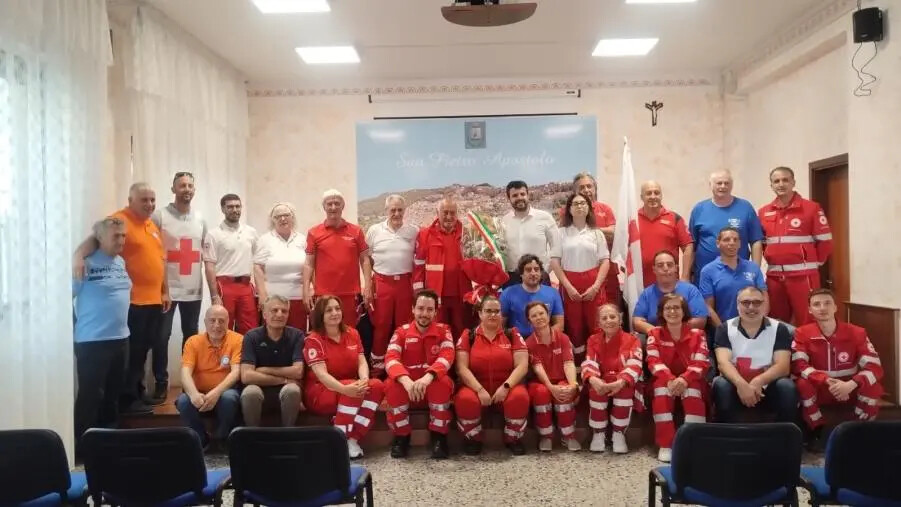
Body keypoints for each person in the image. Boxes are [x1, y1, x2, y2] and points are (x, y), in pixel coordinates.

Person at [792, 288, 883, 451]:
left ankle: (859, 430)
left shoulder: (857, 332)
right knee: (802, 384)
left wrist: (851, 384)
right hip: (821, 387)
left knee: (873, 386)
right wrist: (826, 380)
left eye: (827, 303)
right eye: (816, 304)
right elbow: (799, 365)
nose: (822, 308)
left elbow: (874, 366)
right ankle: (818, 431)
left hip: (849, 388)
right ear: (810, 310)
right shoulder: (802, 333)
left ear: (835, 307)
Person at [73, 217, 131, 447]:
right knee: (91, 396)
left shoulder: (120, 262)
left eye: (123, 235)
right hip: (92, 342)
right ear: (99, 238)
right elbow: (62, 298)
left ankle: (109, 444)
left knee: (112, 395)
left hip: (121, 339)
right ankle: (83, 446)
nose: (121, 240)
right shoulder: (84, 264)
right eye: (116, 236)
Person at [303, 296, 385, 459]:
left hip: (350, 388)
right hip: (321, 391)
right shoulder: (313, 340)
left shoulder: (352, 333)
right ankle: (339, 441)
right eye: (329, 310)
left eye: (337, 308)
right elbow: (321, 375)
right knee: (352, 388)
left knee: (376, 386)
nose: (335, 313)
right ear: (320, 315)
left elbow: (362, 361)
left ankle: (353, 439)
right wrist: (345, 389)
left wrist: (364, 379)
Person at [152, 171, 207, 403]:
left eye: (190, 186)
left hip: (193, 288)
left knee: (191, 337)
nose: (187, 189)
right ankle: (160, 382)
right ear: (173, 189)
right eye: (182, 185)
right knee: (161, 336)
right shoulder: (160, 216)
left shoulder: (200, 219)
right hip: (166, 288)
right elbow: (153, 251)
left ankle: (188, 382)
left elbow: (203, 251)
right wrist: (162, 287)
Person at [455, 295, 530, 456]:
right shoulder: (468, 335)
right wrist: (479, 389)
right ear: (480, 313)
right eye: (488, 311)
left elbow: (522, 366)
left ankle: (513, 438)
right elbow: (461, 368)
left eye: (497, 311)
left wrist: (506, 387)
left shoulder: (512, 334)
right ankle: (473, 438)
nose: (493, 315)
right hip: (475, 388)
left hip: (506, 387)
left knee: (520, 397)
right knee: (465, 399)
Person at [384, 289, 455, 459]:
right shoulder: (401, 332)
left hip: (431, 386)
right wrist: (406, 381)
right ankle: (401, 437)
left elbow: (447, 356)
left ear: (436, 312)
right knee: (391, 385)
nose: (424, 313)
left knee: (443, 383)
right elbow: (391, 358)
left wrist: (427, 378)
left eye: (430, 309)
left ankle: (439, 437)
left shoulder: (444, 331)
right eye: (420, 308)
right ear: (413, 309)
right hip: (407, 388)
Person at [712, 286, 798, 424]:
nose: (751, 307)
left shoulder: (779, 329)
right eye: (746, 302)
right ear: (737, 305)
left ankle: (784, 434)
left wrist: (758, 381)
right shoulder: (724, 328)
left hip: (767, 387)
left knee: (787, 387)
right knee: (721, 385)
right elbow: (723, 363)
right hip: (736, 386)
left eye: (757, 302)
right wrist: (742, 385)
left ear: (764, 305)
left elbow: (783, 366)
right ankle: (726, 434)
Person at [758, 167, 833, 325]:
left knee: (807, 319)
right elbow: (763, 243)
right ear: (771, 185)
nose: (781, 184)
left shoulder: (811, 208)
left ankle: (807, 343)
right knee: (776, 321)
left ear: (793, 182)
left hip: (803, 276)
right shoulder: (764, 212)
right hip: (774, 276)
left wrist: (813, 263)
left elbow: (825, 242)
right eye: (776, 181)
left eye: (785, 180)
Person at [646, 294, 709, 462]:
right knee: (661, 393)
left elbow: (701, 362)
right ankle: (666, 445)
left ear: (684, 311)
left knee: (693, 393)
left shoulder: (698, 334)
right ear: (661, 312)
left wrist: (684, 379)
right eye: (668, 308)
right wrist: (669, 379)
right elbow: (653, 361)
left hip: (691, 379)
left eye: (676, 307)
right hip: (664, 379)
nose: (672, 311)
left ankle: (695, 443)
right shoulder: (654, 333)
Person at [176, 305, 242, 452]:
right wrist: (193, 394)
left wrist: (216, 393)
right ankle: (200, 439)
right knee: (183, 401)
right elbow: (185, 373)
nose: (217, 325)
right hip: (199, 391)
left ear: (228, 322)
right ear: (205, 322)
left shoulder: (238, 340)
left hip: (225, 391)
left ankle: (222, 437)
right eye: (212, 320)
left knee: (229, 398)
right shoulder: (193, 341)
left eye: (221, 321)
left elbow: (236, 372)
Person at [551, 192, 609, 357]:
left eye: (583, 203)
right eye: (575, 204)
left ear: (589, 208)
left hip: (593, 283)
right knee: (574, 324)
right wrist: (568, 287)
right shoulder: (560, 233)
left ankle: (597, 359)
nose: (579, 206)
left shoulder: (596, 233)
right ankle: (577, 362)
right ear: (569, 209)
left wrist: (595, 287)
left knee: (596, 322)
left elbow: (605, 261)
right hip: (570, 283)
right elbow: (555, 261)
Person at [303, 189, 372, 327]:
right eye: (329, 204)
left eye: (337, 203)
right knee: (325, 332)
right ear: (324, 207)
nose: (333, 207)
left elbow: (365, 259)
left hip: (350, 294)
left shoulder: (356, 231)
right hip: (323, 294)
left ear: (343, 206)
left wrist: (368, 286)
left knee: (349, 332)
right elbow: (309, 264)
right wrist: (306, 290)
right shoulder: (313, 233)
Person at [366, 194, 417, 376]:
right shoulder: (374, 230)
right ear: (386, 210)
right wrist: (367, 284)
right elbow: (366, 258)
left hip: (404, 283)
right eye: (393, 210)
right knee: (381, 324)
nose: (396, 213)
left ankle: (402, 363)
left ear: (405, 211)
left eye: (400, 210)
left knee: (404, 325)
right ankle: (377, 367)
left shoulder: (413, 231)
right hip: (382, 282)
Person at [581, 304, 642, 454]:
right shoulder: (593, 340)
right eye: (604, 318)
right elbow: (589, 362)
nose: (609, 320)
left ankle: (618, 433)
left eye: (613, 317)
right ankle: (598, 433)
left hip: (622, 381)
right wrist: (593, 379)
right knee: (595, 389)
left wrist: (621, 381)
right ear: (599, 323)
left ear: (620, 319)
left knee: (625, 390)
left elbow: (635, 363)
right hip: (601, 379)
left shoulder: (632, 339)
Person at [239, 295, 305, 428]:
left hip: (286, 390)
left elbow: (298, 372)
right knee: (250, 392)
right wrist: (284, 380)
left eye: (284, 311)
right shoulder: (251, 336)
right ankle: (252, 434)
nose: (279, 314)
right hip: (258, 387)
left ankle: (288, 433)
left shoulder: (297, 335)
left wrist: (264, 370)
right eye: (274, 310)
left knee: (293, 390)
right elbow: (246, 376)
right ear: (264, 314)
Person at [523, 301, 580, 452]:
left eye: (541, 313)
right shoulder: (529, 343)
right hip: (540, 383)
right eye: (534, 316)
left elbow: (568, 363)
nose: (539, 317)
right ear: (529, 321)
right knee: (542, 393)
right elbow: (538, 368)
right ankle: (546, 436)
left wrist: (573, 385)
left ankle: (568, 435)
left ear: (548, 316)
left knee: (565, 390)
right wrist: (550, 387)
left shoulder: (563, 338)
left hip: (561, 379)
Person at [413, 196, 471, 338]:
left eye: (452, 213)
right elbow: (418, 265)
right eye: (445, 212)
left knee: (461, 329)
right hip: (435, 294)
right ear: (437, 213)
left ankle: (460, 352)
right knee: (438, 330)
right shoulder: (425, 234)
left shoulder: (467, 234)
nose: (449, 217)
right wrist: (419, 291)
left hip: (461, 294)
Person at [689, 170, 764, 279]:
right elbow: (691, 245)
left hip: (738, 275)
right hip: (704, 276)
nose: (723, 186)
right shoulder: (699, 209)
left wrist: (755, 272)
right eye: (719, 183)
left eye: (726, 183)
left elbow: (756, 241)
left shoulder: (745, 207)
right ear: (711, 185)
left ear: (732, 185)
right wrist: (687, 274)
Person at [203, 193, 259, 334]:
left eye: (237, 206)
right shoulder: (213, 234)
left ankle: (245, 350)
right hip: (224, 286)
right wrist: (214, 295)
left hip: (246, 286)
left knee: (250, 328)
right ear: (223, 209)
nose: (235, 210)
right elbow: (209, 266)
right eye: (230, 207)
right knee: (223, 327)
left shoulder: (251, 232)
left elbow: (259, 261)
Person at [564, 172, 620, 306]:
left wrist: (588, 231)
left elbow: (613, 233)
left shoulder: (605, 209)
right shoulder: (566, 212)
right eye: (582, 187)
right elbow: (565, 237)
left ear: (595, 189)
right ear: (575, 191)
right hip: (579, 275)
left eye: (589, 186)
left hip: (608, 272)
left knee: (611, 310)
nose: (586, 190)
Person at [699, 227, 767, 329]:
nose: (732, 243)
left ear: (739, 243)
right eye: (726, 239)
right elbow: (708, 307)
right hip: (724, 328)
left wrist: (758, 325)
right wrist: (723, 331)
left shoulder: (753, 267)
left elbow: (764, 298)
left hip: (753, 327)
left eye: (735, 240)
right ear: (718, 243)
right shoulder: (708, 271)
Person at [253, 202, 307, 330]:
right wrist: (262, 295)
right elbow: (258, 267)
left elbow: (309, 266)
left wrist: (309, 290)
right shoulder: (265, 240)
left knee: (297, 335)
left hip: (298, 298)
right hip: (272, 299)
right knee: (273, 335)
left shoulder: (302, 239)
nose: (283, 219)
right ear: (273, 220)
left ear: (292, 217)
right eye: (278, 216)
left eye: (286, 215)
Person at [631, 181, 694, 286]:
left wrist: (685, 276)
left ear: (661, 195)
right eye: (649, 193)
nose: (653, 196)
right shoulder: (633, 220)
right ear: (642, 197)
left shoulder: (674, 218)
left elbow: (688, 246)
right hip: (638, 284)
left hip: (670, 283)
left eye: (656, 193)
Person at [632, 250, 707, 337]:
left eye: (669, 265)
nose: (665, 268)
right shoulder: (647, 293)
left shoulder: (691, 290)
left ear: (676, 268)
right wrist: (659, 333)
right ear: (654, 269)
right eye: (660, 265)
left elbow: (700, 321)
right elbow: (637, 321)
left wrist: (673, 331)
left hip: (685, 338)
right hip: (656, 338)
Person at [500, 180, 560, 286]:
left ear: (528, 195)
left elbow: (556, 247)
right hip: (512, 279)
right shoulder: (504, 221)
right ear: (509, 199)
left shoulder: (545, 217)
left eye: (522, 194)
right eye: (515, 195)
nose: (519, 197)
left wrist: (546, 271)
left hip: (539, 276)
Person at [500, 254, 564, 337]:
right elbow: (500, 326)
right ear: (521, 273)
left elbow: (560, 325)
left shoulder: (553, 293)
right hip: (517, 340)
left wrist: (538, 338)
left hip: (545, 339)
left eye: (536, 269)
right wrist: (514, 336)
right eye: (528, 270)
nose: (533, 273)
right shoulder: (507, 293)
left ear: (541, 273)